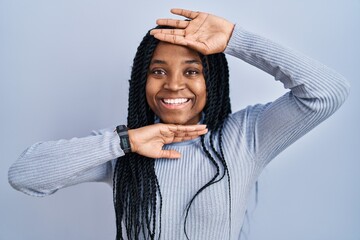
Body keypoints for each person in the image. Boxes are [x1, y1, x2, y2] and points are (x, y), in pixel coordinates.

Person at [8, 8, 350, 240]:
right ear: (141, 81)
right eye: (158, 71)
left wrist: (236, 39)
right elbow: (23, 176)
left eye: (192, 71)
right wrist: (124, 143)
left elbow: (327, 92)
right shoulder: (126, 145)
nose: (173, 85)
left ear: (211, 80)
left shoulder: (246, 136)